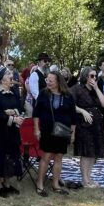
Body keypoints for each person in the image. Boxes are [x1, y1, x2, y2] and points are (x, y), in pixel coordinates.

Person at [33, 68, 76, 196]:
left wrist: (73, 133)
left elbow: (73, 116)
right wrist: (36, 129)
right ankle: (40, 183)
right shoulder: (43, 93)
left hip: (63, 131)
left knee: (59, 157)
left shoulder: (68, 96)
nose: (48, 82)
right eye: (47, 80)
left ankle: (55, 184)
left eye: (51, 81)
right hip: (47, 130)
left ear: (58, 82)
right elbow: (36, 113)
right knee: (46, 157)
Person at [70, 67, 104, 188]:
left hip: (96, 124)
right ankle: (85, 180)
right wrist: (82, 111)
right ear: (85, 76)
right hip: (83, 124)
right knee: (86, 152)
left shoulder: (96, 89)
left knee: (94, 152)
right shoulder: (77, 88)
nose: (94, 78)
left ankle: (89, 177)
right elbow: (70, 104)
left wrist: (96, 88)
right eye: (92, 76)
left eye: (95, 76)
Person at [0, 70, 24, 197]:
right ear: (2, 79)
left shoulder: (14, 92)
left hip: (12, 131)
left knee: (11, 155)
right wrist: (10, 117)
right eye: (8, 75)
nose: (11, 76)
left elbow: (19, 107)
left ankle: (7, 183)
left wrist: (14, 113)